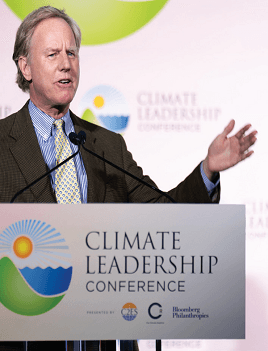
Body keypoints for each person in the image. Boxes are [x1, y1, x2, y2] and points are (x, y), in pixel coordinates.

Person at [0, 6, 257, 351]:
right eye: (53, 54)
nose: (66, 64)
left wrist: (207, 170)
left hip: (104, 338)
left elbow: (164, 214)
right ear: (25, 66)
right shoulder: (3, 143)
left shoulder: (106, 145)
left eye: (72, 53)